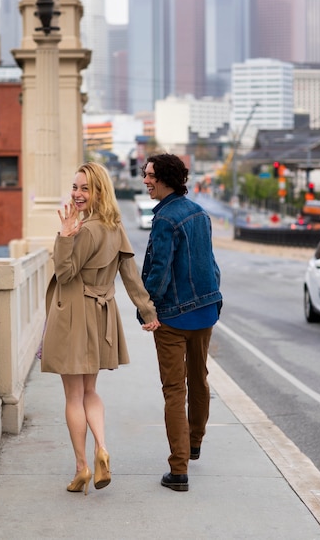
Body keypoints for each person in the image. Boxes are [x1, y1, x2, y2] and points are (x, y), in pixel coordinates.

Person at [41, 162, 160, 496]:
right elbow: (130, 273)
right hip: (101, 313)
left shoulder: (86, 230)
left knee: (73, 396)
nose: (77, 194)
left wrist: (65, 236)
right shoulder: (114, 226)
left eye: (85, 188)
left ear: (98, 191)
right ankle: (102, 447)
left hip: (74, 314)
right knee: (90, 391)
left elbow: (65, 273)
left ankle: (82, 468)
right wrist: (146, 309)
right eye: (75, 187)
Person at [140, 154, 223, 492]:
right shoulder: (200, 213)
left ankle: (178, 471)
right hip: (205, 310)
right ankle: (195, 443)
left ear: (164, 179)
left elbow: (159, 271)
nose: (145, 181)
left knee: (175, 389)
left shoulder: (164, 220)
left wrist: (147, 309)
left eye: (149, 176)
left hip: (173, 316)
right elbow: (210, 263)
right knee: (199, 377)